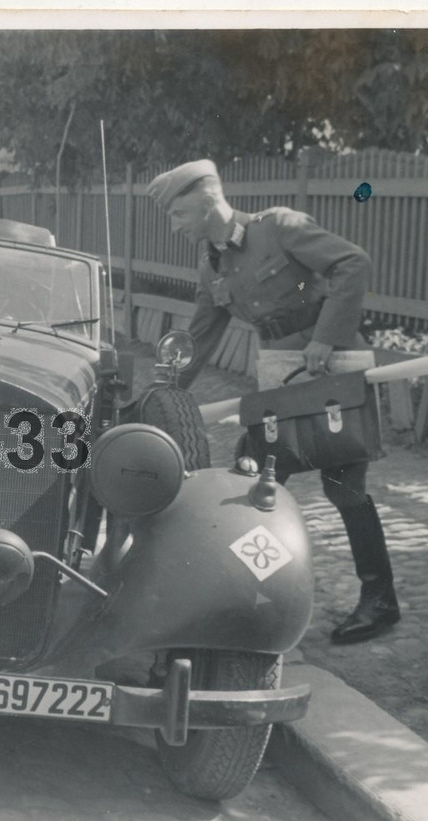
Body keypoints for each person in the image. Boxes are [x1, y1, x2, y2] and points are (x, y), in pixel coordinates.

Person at [146, 159, 399, 644]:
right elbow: (200, 337)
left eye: (178, 214)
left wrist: (326, 337)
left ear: (205, 203)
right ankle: (245, 598)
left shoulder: (279, 227)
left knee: (344, 487)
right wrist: (163, 390)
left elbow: (352, 264)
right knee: (250, 476)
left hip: (333, 365)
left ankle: (380, 600)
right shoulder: (211, 265)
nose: (174, 226)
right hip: (280, 376)